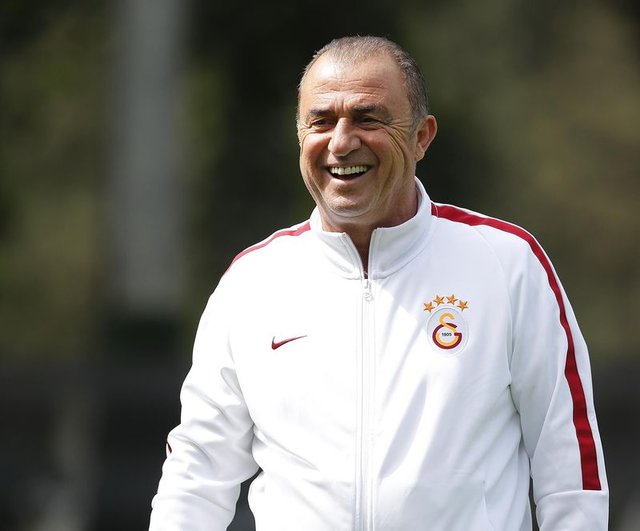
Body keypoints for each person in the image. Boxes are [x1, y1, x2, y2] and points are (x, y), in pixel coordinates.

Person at [149, 35, 608, 530]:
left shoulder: (507, 263)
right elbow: (196, 473)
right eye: (321, 121)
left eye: (368, 118)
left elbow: (569, 466)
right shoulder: (252, 282)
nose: (341, 142)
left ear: (421, 137)